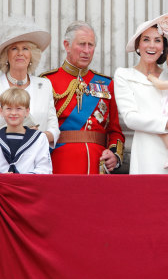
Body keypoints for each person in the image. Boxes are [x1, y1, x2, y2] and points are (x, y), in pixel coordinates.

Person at [114, 10, 168, 174]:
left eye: (157, 40)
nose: (151, 45)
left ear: (163, 46)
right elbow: (131, 118)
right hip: (148, 151)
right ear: (138, 45)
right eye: (146, 40)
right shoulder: (124, 75)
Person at [41, 21, 125, 174]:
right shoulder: (47, 81)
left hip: (98, 164)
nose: (87, 51)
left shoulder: (107, 83)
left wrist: (114, 154)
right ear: (67, 45)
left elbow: (115, 131)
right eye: (82, 44)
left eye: (90, 45)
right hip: (60, 162)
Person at [0, 16, 60, 150]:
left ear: (32, 55)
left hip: (35, 159)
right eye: (14, 48)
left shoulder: (44, 85)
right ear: (6, 55)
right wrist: (7, 137)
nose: (20, 53)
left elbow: (54, 130)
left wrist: (35, 137)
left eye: (25, 48)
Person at [0, 88, 52, 174]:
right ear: (1, 111)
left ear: (27, 111)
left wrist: (18, 179)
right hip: (0, 186)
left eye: (18, 108)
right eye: (9, 108)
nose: (14, 113)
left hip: (29, 186)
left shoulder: (40, 138)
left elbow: (44, 170)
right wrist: (4, 179)